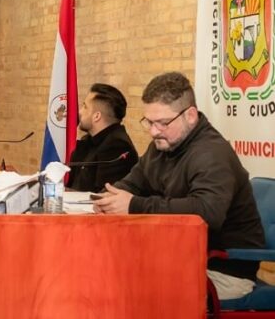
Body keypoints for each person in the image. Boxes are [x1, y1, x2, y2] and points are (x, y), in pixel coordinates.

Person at [93, 72, 264, 300]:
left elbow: (207, 212)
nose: (153, 131)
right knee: (108, 271)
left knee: (135, 290)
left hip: (222, 270)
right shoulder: (163, 144)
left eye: (162, 123)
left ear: (190, 115)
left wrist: (134, 205)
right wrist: (109, 199)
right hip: (181, 257)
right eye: (149, 122)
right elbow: (133, 183)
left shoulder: (212, 154)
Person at [66, 83, 138, 192]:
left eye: (85, 106)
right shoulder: (88, 140)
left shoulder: (117, 146)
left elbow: (101, 196)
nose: (80, 112)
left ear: (97, 116)